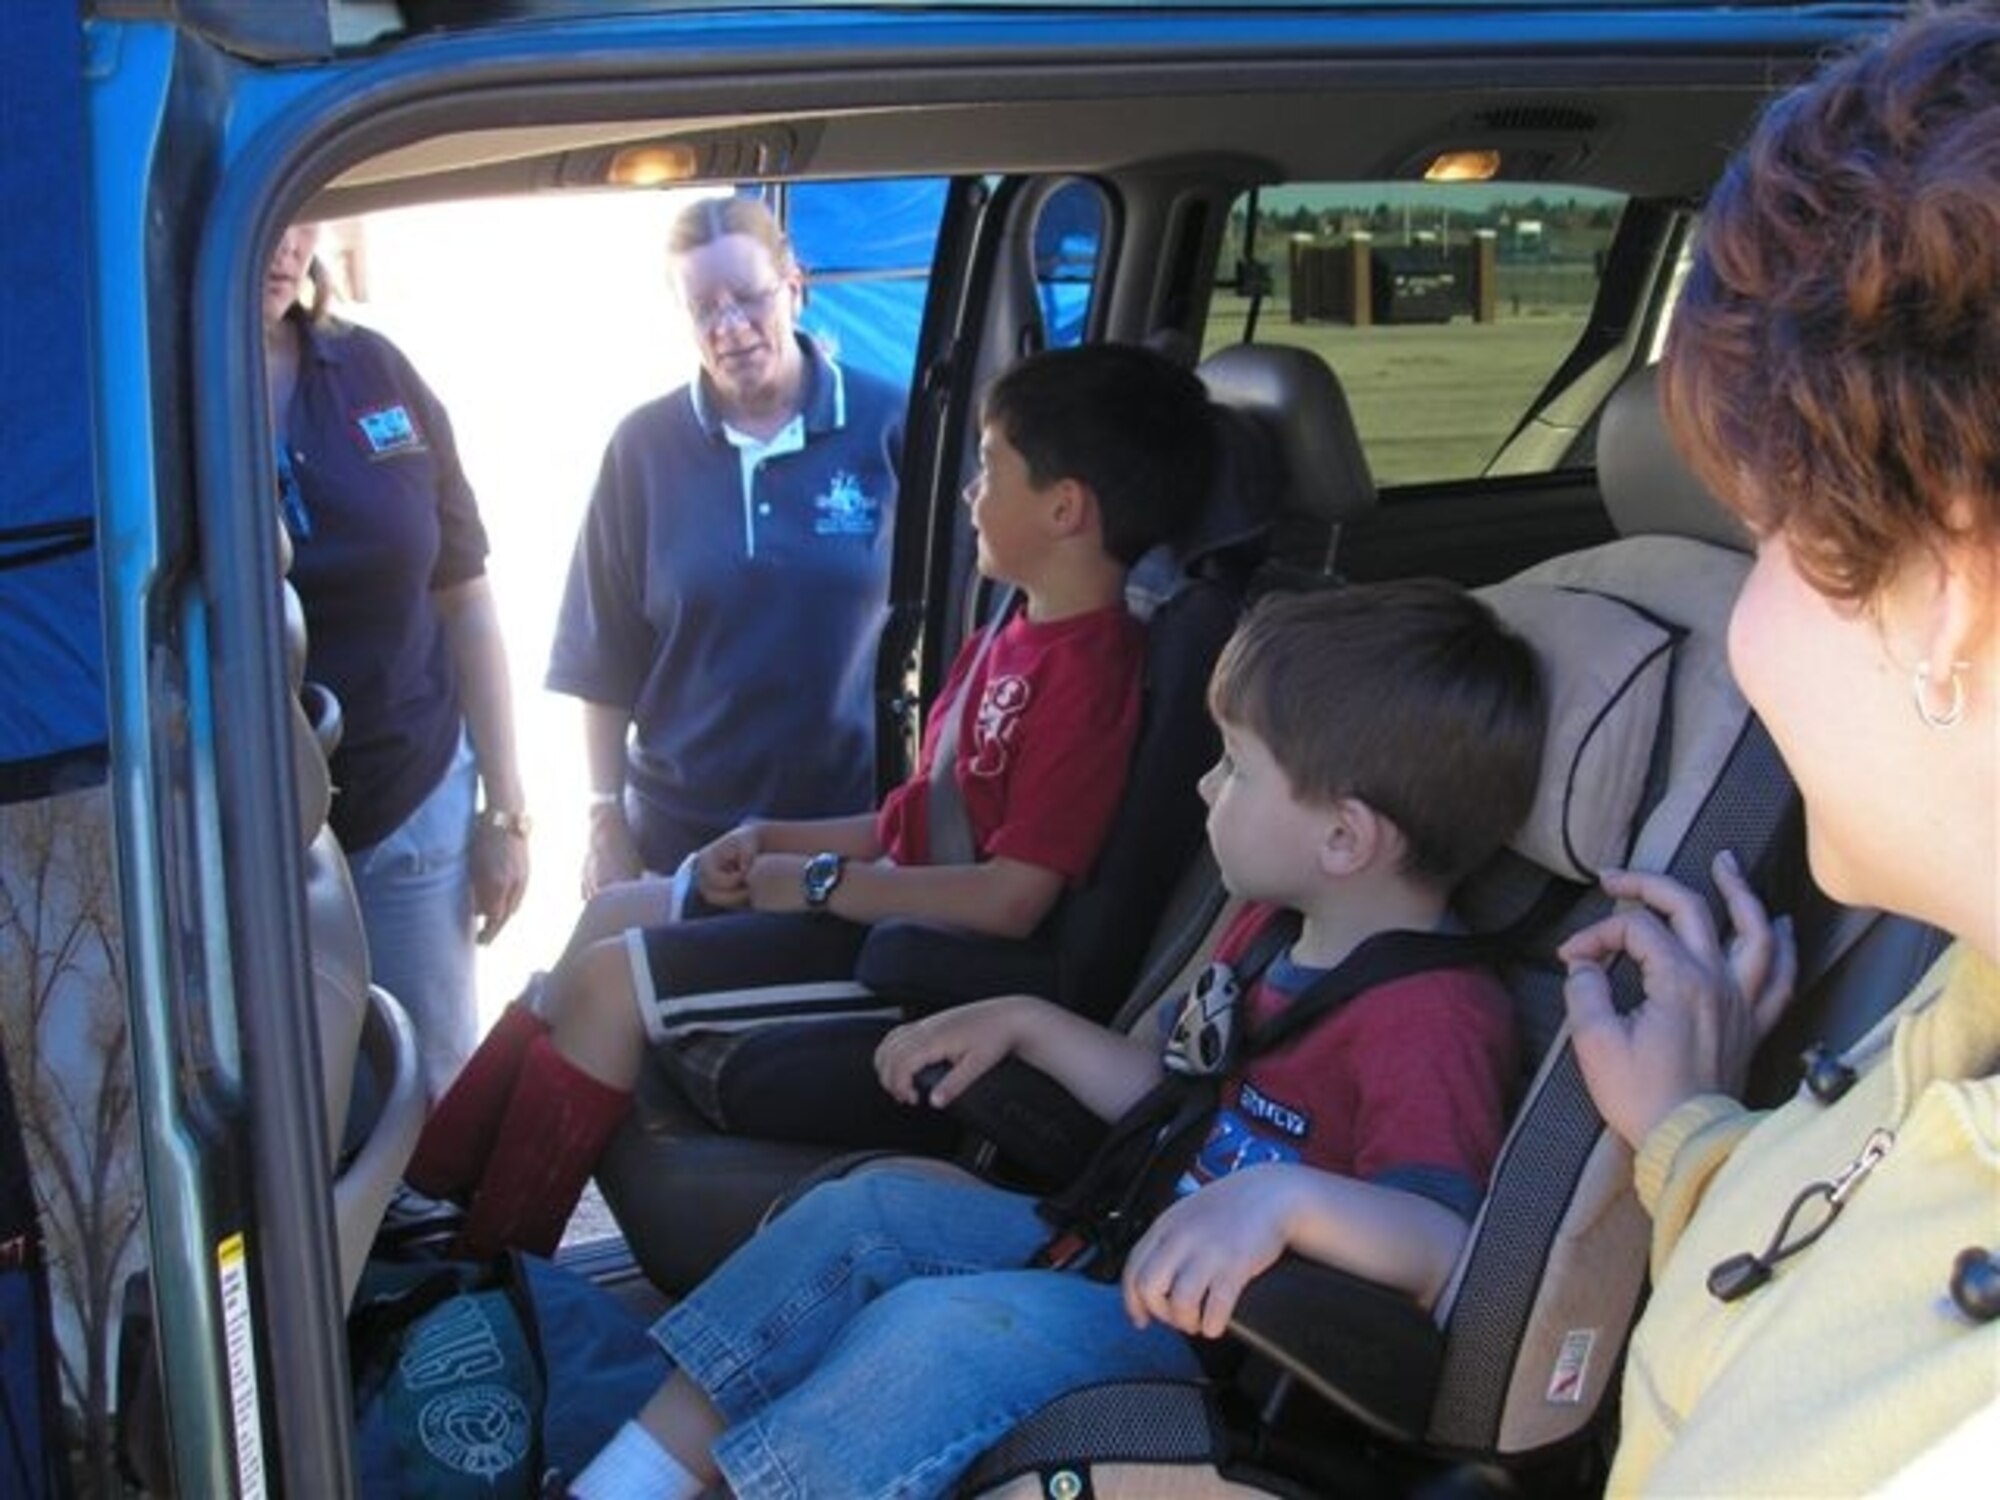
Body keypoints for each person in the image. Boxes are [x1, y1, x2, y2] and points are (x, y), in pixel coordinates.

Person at [559, 578, 1548, 1499]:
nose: (1205, 789)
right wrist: (1029, 1024)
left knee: (939, 1333)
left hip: (1222, 1344)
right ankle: (624, 1481)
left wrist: (1284, 1201)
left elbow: (1439, 1242)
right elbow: (1171, 1098)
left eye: (1235, 768)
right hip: (1120, 1248)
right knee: (867, 1214)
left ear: (1344, 839)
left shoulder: (1432, 1017)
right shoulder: (1270, 933)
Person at [405, 341, 1219, 1257]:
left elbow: (1011, 897)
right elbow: (916, 823)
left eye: (990, 468)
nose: (968, 491)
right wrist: (772, 840)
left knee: (605, 986)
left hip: (933, 966)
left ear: (1066, 508)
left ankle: (495, 1262)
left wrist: (824, 884)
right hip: (892, 913)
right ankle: (435, 1192)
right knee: (609, 915)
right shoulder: (1017, 626)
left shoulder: (1089, 675)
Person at [1554, 9, 2000, 1493]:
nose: (1743, 626)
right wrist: (1688, 1136)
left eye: (1756, 545)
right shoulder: (1970, 988)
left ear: (1949, 588)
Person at [547, 193, 906, 903]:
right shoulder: (642, 449)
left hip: (846, 840)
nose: (731, 326)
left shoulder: (889, 424)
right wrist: (603, 818)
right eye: (704, 308)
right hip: (678, 840)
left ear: (795, 287)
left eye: (749, 298)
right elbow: (601, 658)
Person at [264, 224, 530, 1100]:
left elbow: (466, 595)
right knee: (296, 1107)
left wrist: (507, 813)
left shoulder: (377, 372)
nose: (279, 246)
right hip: (240, 830)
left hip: (410, 801)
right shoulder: (151, 378)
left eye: (298, 219)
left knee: (429, 1088)